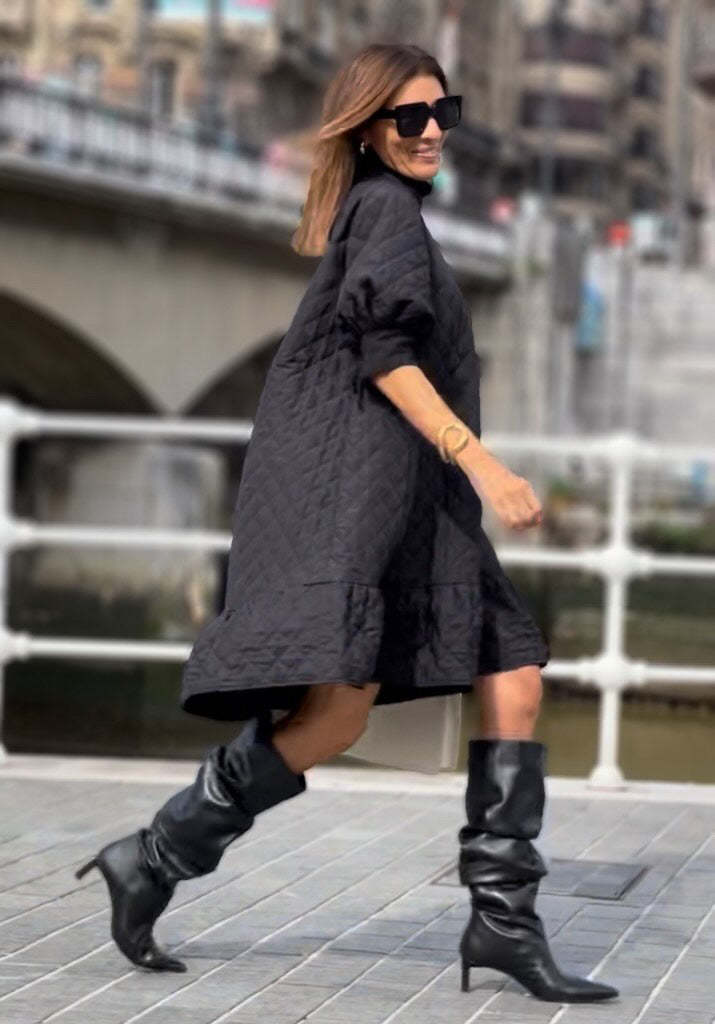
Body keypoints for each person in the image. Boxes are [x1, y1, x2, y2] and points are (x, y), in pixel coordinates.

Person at [75, 43, 618, 1004]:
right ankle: (153, 856)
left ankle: (501, 924)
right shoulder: (385, 212)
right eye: (410, 117)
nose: (432, 130)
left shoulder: (387, 211)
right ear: (366, 127)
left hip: (411, 503)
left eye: (443, 110)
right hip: (377, 502)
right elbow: (384, 354)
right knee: (338, 714)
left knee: (506, 672)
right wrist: (482, 463)